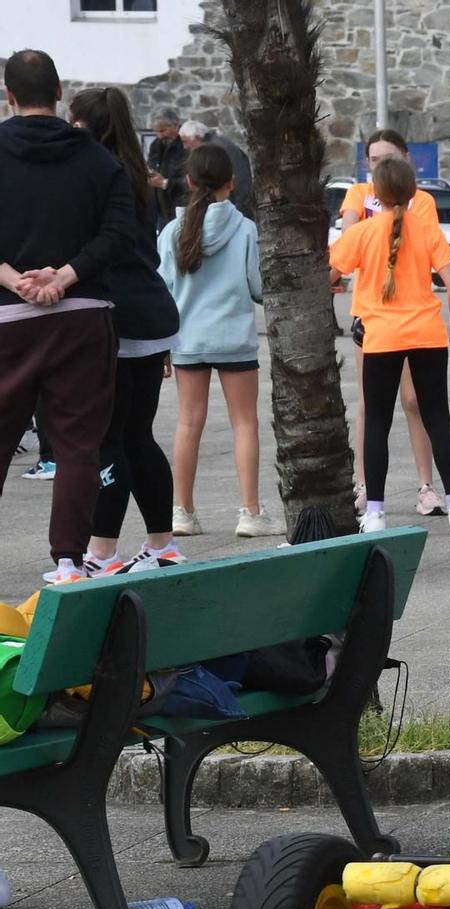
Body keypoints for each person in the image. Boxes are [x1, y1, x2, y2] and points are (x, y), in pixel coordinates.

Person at [0, 50, 138, 583]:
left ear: (9, 96)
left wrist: (16, 281)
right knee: (79, 445)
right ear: (58, 91)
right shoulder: (97, 160)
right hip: (81, 315)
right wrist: (65, 276)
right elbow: (120, 234)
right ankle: (67, 560)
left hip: (8, 318)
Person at [327, 155, 450, 535]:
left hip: (380, 338)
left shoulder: (361, 233)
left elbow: (328, 275)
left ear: (374, 194)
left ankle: (375, 513)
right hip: (427, 335)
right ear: (414, 193)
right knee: (437, 419)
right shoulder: (427, 229)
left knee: (376, 422)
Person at [69, 86, 185, 578]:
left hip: (118, 316)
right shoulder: (139, 174)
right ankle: (162, 543)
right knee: (138, 434)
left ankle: (101, 551)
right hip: (151, 314)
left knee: (110, 438)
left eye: (73, 123)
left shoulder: (95, 175)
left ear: (86, 126)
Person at [160, 143, 283, 538]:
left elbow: (162, 289)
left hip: (187, 339)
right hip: (234, 340)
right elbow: (258, 287)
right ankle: (250, 511)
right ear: (231, 183)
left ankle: (182, 511)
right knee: (244, 422)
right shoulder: (245, 229)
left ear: (189, 181)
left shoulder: (171, 232)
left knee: (188, 422)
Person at [337, 129, 444, 518]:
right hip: (371, 314)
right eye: (374, 159)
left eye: (388, 158)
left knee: (415, 401)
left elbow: (424, 243)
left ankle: (425, 486)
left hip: (414, 316)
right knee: (370, 404)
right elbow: (349, 234)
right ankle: (365, 485)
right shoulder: (358, 196)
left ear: (405, 159)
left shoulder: (423, 201)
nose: (380, 165)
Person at [179, 119, 253, 219]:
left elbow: (241, 178)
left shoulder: (220, 149)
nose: (185, 147)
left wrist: (239, 209)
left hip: (232, 208)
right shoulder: (212, 147)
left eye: (185, 141)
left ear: (196, 137)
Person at [146, 110, 187, 216]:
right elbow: (151, 167)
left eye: (163, 131)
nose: (160, 136)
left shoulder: (186, 145)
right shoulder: (155, 145)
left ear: (176, 126)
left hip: (181, 208)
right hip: (159, 209)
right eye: (157, 132)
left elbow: (191, 180)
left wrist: (165, 183)